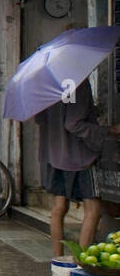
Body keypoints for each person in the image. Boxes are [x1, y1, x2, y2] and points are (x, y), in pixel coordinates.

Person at [34, 77, 120, 256]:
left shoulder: (47, 84)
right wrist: (109, 130)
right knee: (93, 209)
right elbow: (74, 124)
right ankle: (82, 263)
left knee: (58, 207)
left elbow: (40, 118)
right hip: (78, 156)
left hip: (54, 153)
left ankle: (57, 260)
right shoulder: (77, 82)